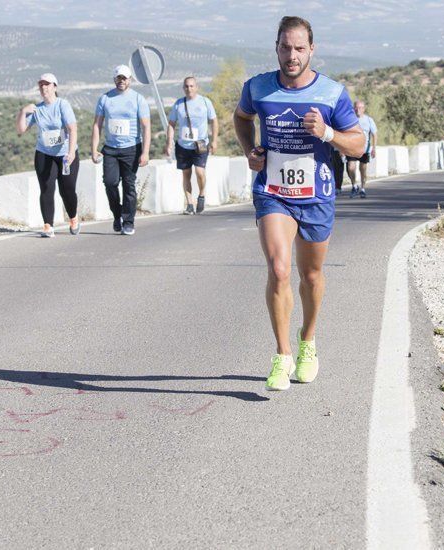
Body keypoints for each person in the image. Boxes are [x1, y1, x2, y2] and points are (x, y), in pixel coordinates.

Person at [233, 16, 365, 391]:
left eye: (300, 48)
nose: (292, 56)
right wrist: (250, 152)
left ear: (312, 50)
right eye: (286, 47)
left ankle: (308, 342)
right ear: (276, 47)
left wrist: (327, 132)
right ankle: (282, 354)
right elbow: (242, 118)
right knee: (278, 269)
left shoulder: (331, 93)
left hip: (316, 196)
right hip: (273, 192)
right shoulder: (257, 88)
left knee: (310, 276)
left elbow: (359, 144)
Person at [15, 72, 80, 238]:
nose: (44, 87)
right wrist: (23, 111)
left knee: (67, 190)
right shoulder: (37, 109)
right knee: (46, 188)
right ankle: (48, 225)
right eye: (41, 84)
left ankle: (73, 217)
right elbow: (21, 130)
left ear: (55, 87)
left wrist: (71, 152)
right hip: (45, 153)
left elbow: (72, 128)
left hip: (66, 154)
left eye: (48, 84)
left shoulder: (62, 105)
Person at [91, 65, 150, 236]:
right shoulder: (105, 98)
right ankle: (117, 215)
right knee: (110, 182)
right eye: (118, 78)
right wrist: (94, 149)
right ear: (114, 79)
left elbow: (146, 127)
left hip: (131, 148)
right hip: (110, 149)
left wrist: (145, 152)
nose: (121, 81)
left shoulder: (138, 99)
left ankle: (128, 221)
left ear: (130, 80)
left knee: (129, 185)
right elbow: (97, 125)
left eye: (124, 78)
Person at [164, 76, 218, 215]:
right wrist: (168, 142)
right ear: (183, 88)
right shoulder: (179, 104)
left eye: (192, 86)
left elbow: (213, 121)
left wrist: (214, 141)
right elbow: (171, 124)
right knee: (186, 174)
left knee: (200, 172)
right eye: (186, 86)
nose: (189, 89)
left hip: (200, 144)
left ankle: (201, 194)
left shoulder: (205, 102)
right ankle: (189, 203)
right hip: (183, 145)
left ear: (197, 87)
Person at [345, 100, 377, 198]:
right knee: (350, 167)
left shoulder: (369, 120)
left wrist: (374, 148)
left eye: (360, 108)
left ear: (364, 109)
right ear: (353, 108)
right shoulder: (350, 119)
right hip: (351, 148)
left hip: (364, 149)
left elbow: (374, 134)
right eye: (356, 107)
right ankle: (354, 186)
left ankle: (363, 188)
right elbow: (344, 132)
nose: (358, 110)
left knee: (362, 169)